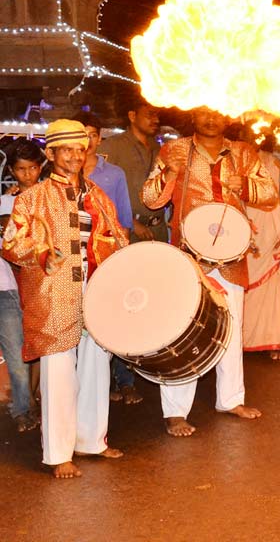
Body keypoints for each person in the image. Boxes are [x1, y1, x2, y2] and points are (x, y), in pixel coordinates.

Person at [2, 120, 127, 477]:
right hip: (53, 293)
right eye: (67, 149)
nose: (75, 155)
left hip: (95, 289)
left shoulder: (98, 197)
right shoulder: (31, 199)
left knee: (96, 366)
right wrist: (43, 253)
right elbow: (11, 243)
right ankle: (58, 454)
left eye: (80, 148)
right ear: (51, 154)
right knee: (58, 373)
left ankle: (91, 440)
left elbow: (117, 238)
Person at [142, 107, 277, 437]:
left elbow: (270, 195)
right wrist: (169, 174)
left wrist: (244, 185)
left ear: (227, 118)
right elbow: (150, 199)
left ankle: (231, 399)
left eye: (218, 113)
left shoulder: (244, 153)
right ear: (195, 117)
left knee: (232, 328)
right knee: (184, 331)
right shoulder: (174, 149)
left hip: (232, 256)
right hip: (189, 256)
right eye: (205, 113)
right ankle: (175, 412)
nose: (211, 119)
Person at [73, 111, 143, 405]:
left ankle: (124, 381)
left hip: (106, 257)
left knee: (111, 319)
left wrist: (119, 257)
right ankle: (80, 388)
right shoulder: (66, 173)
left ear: (99, 138)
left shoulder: (113, 174)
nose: (86, 141)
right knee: (78, 323)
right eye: (81, 135)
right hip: (73, 261)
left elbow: (123, 220)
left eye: (91, 134)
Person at [0, 139, 44, 432]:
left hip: (19, 285)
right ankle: (24, 406)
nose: (26, 175)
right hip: (10, 283)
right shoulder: (6, 200)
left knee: (22, 352)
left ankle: (24, 408)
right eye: (20, 169)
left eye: (31, 169)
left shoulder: (46, 197)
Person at [242, 134, 280, 360]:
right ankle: (242, 340)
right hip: (247, 226)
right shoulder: (235, 158)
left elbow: (278, 197)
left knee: (271, 284)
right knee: (244, 284)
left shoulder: (272, 160)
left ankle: (271, 340)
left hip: (270, 226)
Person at [99, 93, 167, 243]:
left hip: (158, 230)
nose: (156, 120)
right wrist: (129, 221)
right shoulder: (112, 146)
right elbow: (98, 191)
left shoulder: (159, 148)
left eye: (157, 115)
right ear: (132, 116)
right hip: (127, 229)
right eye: (150, 115)